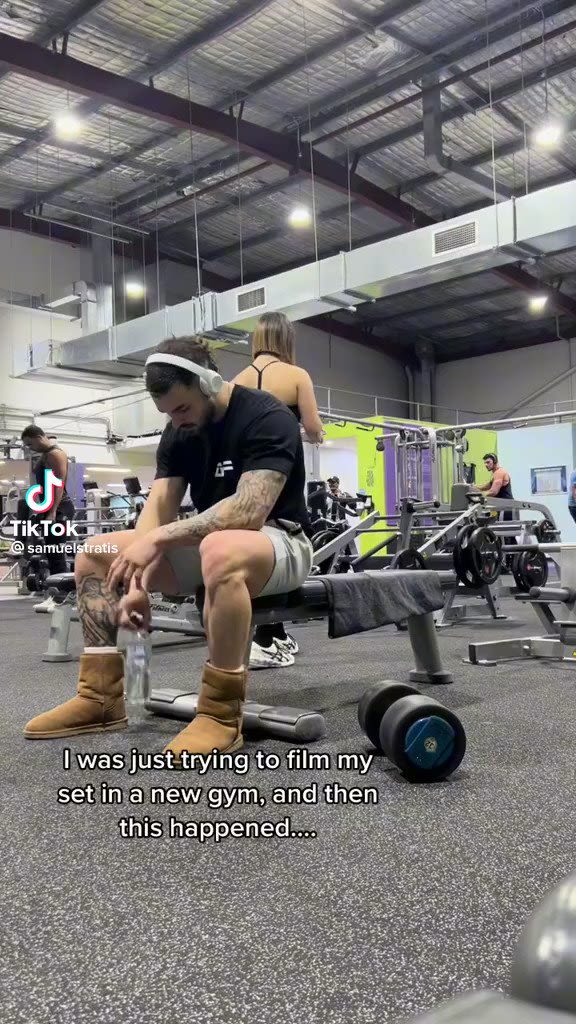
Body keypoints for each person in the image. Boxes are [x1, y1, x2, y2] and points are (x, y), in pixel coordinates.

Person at [24, 335, 313, 761]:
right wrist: (135, 578)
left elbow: (249, 511)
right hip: (211, 542)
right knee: (96, 551)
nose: (176, 420)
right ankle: (99, 698)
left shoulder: (267, 415)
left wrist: (159, 540)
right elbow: (158, 510)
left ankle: (220, 714)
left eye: (182, 408)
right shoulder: (179, 431)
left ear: (210, 383)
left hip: (280, 541)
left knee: (221, 547)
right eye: (168, 413)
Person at [233, 311, 323, 668]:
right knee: (287, 539)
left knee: (256, 543)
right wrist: (316, 433)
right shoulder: (296, 375)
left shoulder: (237, 381)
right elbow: (313, 427)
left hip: (247, 471)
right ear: (286, 340)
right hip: (284, 465)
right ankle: (265, 636)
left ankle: (275, 631)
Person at [21, 425, 76, 610]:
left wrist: (52, 512)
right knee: (52, 554)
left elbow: (58, 485)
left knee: (56, 554)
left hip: (59, 508)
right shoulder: (46, 453)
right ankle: (56, 596)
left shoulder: (55, 454)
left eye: (30, 444)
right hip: (50, 508)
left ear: (39, 437)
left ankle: (62, 599)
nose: (30, 448)